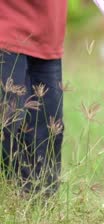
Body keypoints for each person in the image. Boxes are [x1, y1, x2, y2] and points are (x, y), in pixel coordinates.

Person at [0, 1, 68, 196]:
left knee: (48, 133)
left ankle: (37, 214)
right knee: (7, 126)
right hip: (6, 29)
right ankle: (8, 201)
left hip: (48, 35)